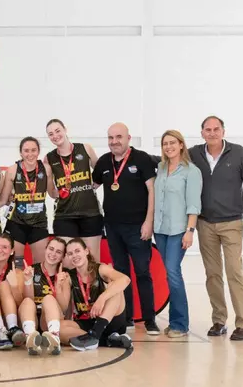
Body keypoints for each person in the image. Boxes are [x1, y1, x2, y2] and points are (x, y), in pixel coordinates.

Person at [189, 116, 243, 341]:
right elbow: (170, 160)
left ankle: (242, 323)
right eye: (207, 130)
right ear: (202, 133)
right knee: (212, 274)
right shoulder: (193, 154)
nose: (212, 133)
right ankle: (219, 320)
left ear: (223, 131)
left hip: (232, 222)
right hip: (205, 223)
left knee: (234, 272)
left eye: (216, 129)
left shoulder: (237, 152)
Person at [92, 122, 160, 335]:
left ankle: (150, 320)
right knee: (120, 274)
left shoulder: (142, 159)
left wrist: (148, 222)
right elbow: (91, 187)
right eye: (111, 137)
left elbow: (152, 191)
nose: (114, 141)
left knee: (142, 272)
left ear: (128, 138)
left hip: (138, 228)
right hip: (112, 227)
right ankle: (127, 317)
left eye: (118, 137)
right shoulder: (104, 161)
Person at [154, 130, 202, 338]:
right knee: (168, 274)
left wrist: (189, 231)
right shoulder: (161, 168)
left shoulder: (191, 171)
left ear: (181, 145)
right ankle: (174, 321)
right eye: (165, 143)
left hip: (178, 230)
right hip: (160, 229)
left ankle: (180, 324)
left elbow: (193, 205)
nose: (168, 147)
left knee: (173, 273)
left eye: (172, 142)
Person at [43, 119, 103, 263]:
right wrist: (57, 191)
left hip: (90, 213)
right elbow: (51, 193)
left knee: (92, 261)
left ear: (65, 129)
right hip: (65, 216)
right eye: (50, 134)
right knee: (68, 263)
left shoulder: (85, 149)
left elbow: (101, 171)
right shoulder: (48, 158)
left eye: (58, 131)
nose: (55, 136)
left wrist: (93, 185)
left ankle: (94, 286)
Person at [62, 238, 133, 351]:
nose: (74, 255)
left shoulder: (100, 268)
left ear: (86, 251)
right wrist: (59, 285)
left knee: (114, 287)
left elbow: (125, 279)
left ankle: (96, 334)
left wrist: (102, 298)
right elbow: (64, 307)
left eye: (77, 251)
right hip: (87, 321)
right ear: (68, 257)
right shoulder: (69, 276)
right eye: (70, 253)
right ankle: (104, 340)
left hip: (109, 320)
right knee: (59, 328)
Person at [0, 137, 55, 265]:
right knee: (16, 264)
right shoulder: (13, 170)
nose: (30, 154)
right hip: (16, 222)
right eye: (26, 151)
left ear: (39, 151)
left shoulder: (46, 169)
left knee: (41, 265)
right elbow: (3, 199)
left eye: (33, 150)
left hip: (39, 223)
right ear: (21, 153)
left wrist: (70, 190)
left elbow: (52, 193)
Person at [15, 237, 71, 356]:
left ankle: (55, 337)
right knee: (27, 301)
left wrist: (59, 287)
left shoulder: (64, 275)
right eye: (51, 249)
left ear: (62, 257)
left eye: (58, 252)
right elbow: (28, 299)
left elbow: (64, 308)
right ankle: (31, 338)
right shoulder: (32, 270)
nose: (53, 254)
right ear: (45, 249)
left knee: (48, 298)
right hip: (32, 318)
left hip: (50, 320)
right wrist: (28, 282)